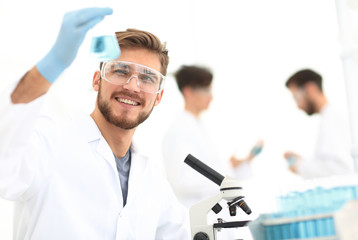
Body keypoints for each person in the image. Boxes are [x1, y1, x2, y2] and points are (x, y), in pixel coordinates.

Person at [0, 7, 189, 239]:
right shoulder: (50, 140)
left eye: (147, 78)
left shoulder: (152, 180)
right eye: (120, 71)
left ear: (158, 97)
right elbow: (4, 161)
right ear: (97, 80)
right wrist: (52, 64)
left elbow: (181, 233)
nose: (132, 86)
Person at [162, 65, 263, 207]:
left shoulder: (198, 125)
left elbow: (210, 169)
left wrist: (233, 165)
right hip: (198, 214)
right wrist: (225, 173)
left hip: (214, 212)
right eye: (206, 90)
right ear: (189, 92)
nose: (211, 96)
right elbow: (184, 181)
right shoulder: (179, 130)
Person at [284, 69, 354, 178]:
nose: (298, 106)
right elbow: (329, 161)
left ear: (310, 89)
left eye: (296, 97)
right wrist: (303, 162)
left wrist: (300, 166)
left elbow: (341, 169)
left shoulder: (332, 118)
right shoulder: (329, 116)